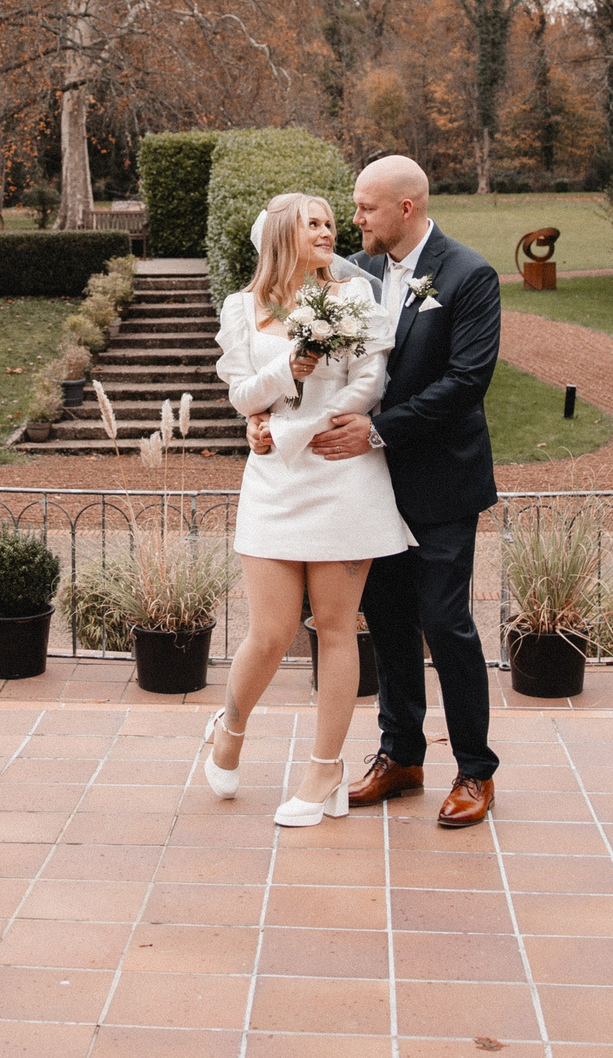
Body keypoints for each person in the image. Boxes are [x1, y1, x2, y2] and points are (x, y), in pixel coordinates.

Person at [203, 191, 413, 826]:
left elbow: (368, 382)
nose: (328, 232)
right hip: (272, 482)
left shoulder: (353, 296)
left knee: (337, 627)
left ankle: (325, 770)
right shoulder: (242, 309)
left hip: (342, 472)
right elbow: (242, 393)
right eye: (314, 223)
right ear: (282, 237)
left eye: (329, 222)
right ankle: (229, 729)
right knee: (269, 632)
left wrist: (302, 428)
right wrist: (283, 377)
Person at [308, 155, 502, 827]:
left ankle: (475, 769)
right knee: (387, 624)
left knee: (445, 624)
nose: (354, 217)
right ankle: (401, 756)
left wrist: (378, 430)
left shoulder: (469, 275)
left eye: (365, 207)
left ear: (406, 209)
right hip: (370, 486)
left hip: (442, 481)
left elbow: (466, 382)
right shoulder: (353, 279)